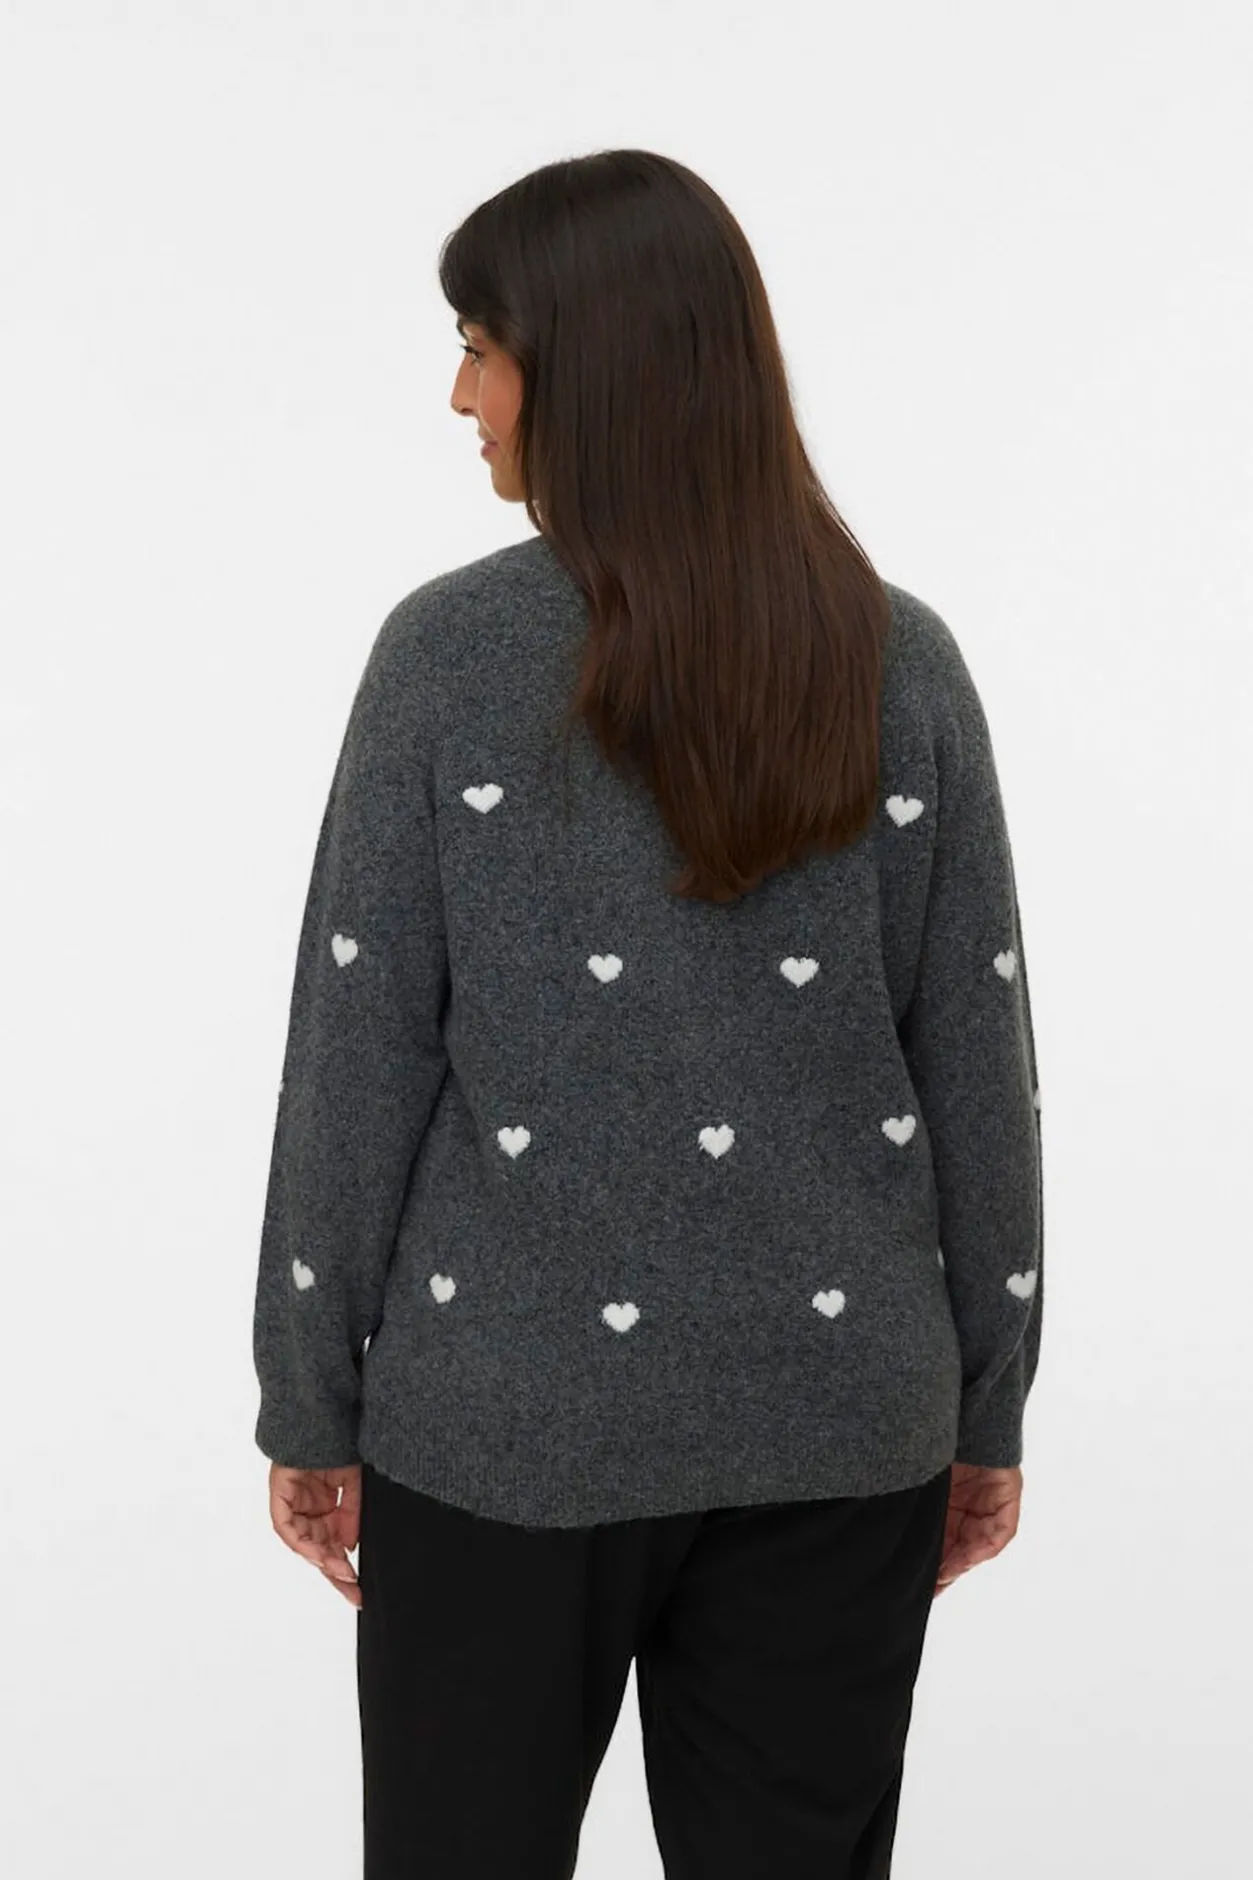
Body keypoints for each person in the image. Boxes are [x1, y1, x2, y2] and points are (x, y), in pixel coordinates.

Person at [251, 148, 1043, 1880]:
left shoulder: (445, 660)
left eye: (482, 346)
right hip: (838, 1422)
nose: (460, 394)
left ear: (589, 370)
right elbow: (978, 1069)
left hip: (503, 1423)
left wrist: (308, 1401)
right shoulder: (900, 658)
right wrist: (987, 1409)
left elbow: (358, 1060)